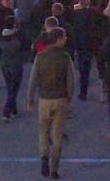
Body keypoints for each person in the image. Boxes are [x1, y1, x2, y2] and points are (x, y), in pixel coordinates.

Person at [31, 27, 76, 178]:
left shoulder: (40, 56)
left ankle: (44, 155)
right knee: (57, 135)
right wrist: (69, 97)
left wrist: (31, 99)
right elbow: (71, 81)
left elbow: (33, 80)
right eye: (64, 37)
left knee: (43, 130)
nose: (65, 40)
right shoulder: (65, 57)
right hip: (60, 99)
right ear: (58, 39)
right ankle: (54, 168)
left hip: (44, 99)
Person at [0, 23, 28, 121]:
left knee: (10, 88)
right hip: (15, 67)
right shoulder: (17, 41)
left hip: (5, 66)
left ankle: (14, 110)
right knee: (14, 90)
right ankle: (7, 110)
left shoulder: (2, 41)